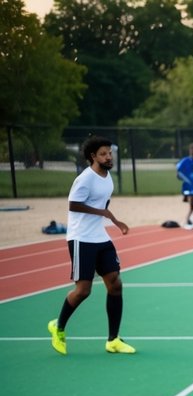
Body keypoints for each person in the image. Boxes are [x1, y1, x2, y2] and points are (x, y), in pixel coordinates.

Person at [47, 135, 134, 357]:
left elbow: (102, 206)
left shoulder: (108, 179)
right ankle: (59, 328)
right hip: (80, 238)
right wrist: (103, 213)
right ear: (93, 156)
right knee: (83, 290)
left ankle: (113, 340)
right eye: (103, 154)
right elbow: (74, 205)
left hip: (100, 237)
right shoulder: (85, 179)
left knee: (115, 284)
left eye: (110, 153)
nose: (108, 157)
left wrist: (114, 221)